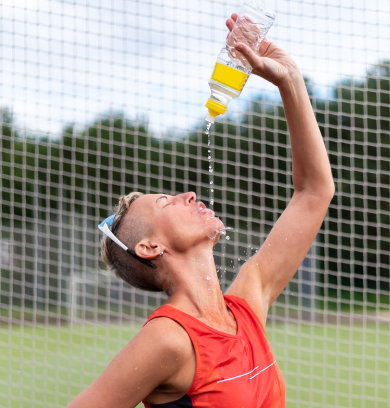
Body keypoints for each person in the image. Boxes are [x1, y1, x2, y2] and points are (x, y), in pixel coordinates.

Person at [67, 13, 334, 408]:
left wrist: (289, 80)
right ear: (150, 247)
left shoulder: (247, 304)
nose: (188, 195)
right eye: (165, 201)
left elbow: (315, 192)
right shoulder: (169, 338)